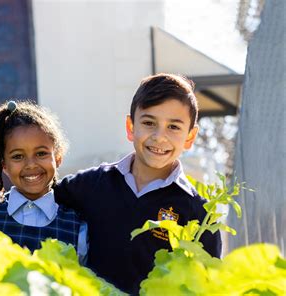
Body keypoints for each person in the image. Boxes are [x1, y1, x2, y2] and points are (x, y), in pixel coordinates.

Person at [54, 73, 222, 293]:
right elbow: (38, 198)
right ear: (130, 127)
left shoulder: (199, 213)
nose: (159, 137)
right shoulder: (90, 184)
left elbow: (208, 285)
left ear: (190, 137)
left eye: (173, 127)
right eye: (149, 122)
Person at [0, 100, 88, 263]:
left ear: (57, 157)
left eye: (41, 153)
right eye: (18, 156)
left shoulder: (77, 227)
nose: (31, 165)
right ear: (4, 165)